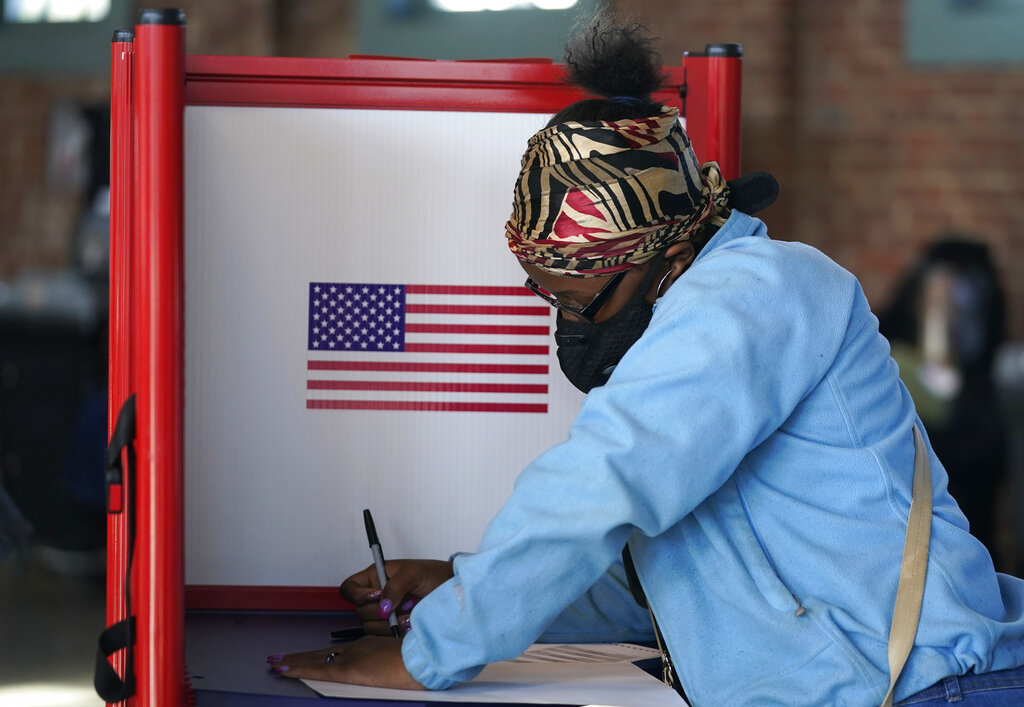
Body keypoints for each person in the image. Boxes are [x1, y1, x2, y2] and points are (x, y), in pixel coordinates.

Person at [268, 14, 1024, 705]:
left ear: (663, 259)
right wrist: (459, 586)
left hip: (935, 685)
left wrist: (429, 654)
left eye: (581, 296)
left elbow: (603, 480)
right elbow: (667, 582)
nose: (567, 322)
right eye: (548, 294)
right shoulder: (696, 325)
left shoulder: (756, 291)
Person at [879, 237, 1009, 569]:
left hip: (968, 535)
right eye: (936, 298)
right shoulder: (895, 363)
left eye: (955, 302)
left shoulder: (984, 385)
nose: (945, 304)